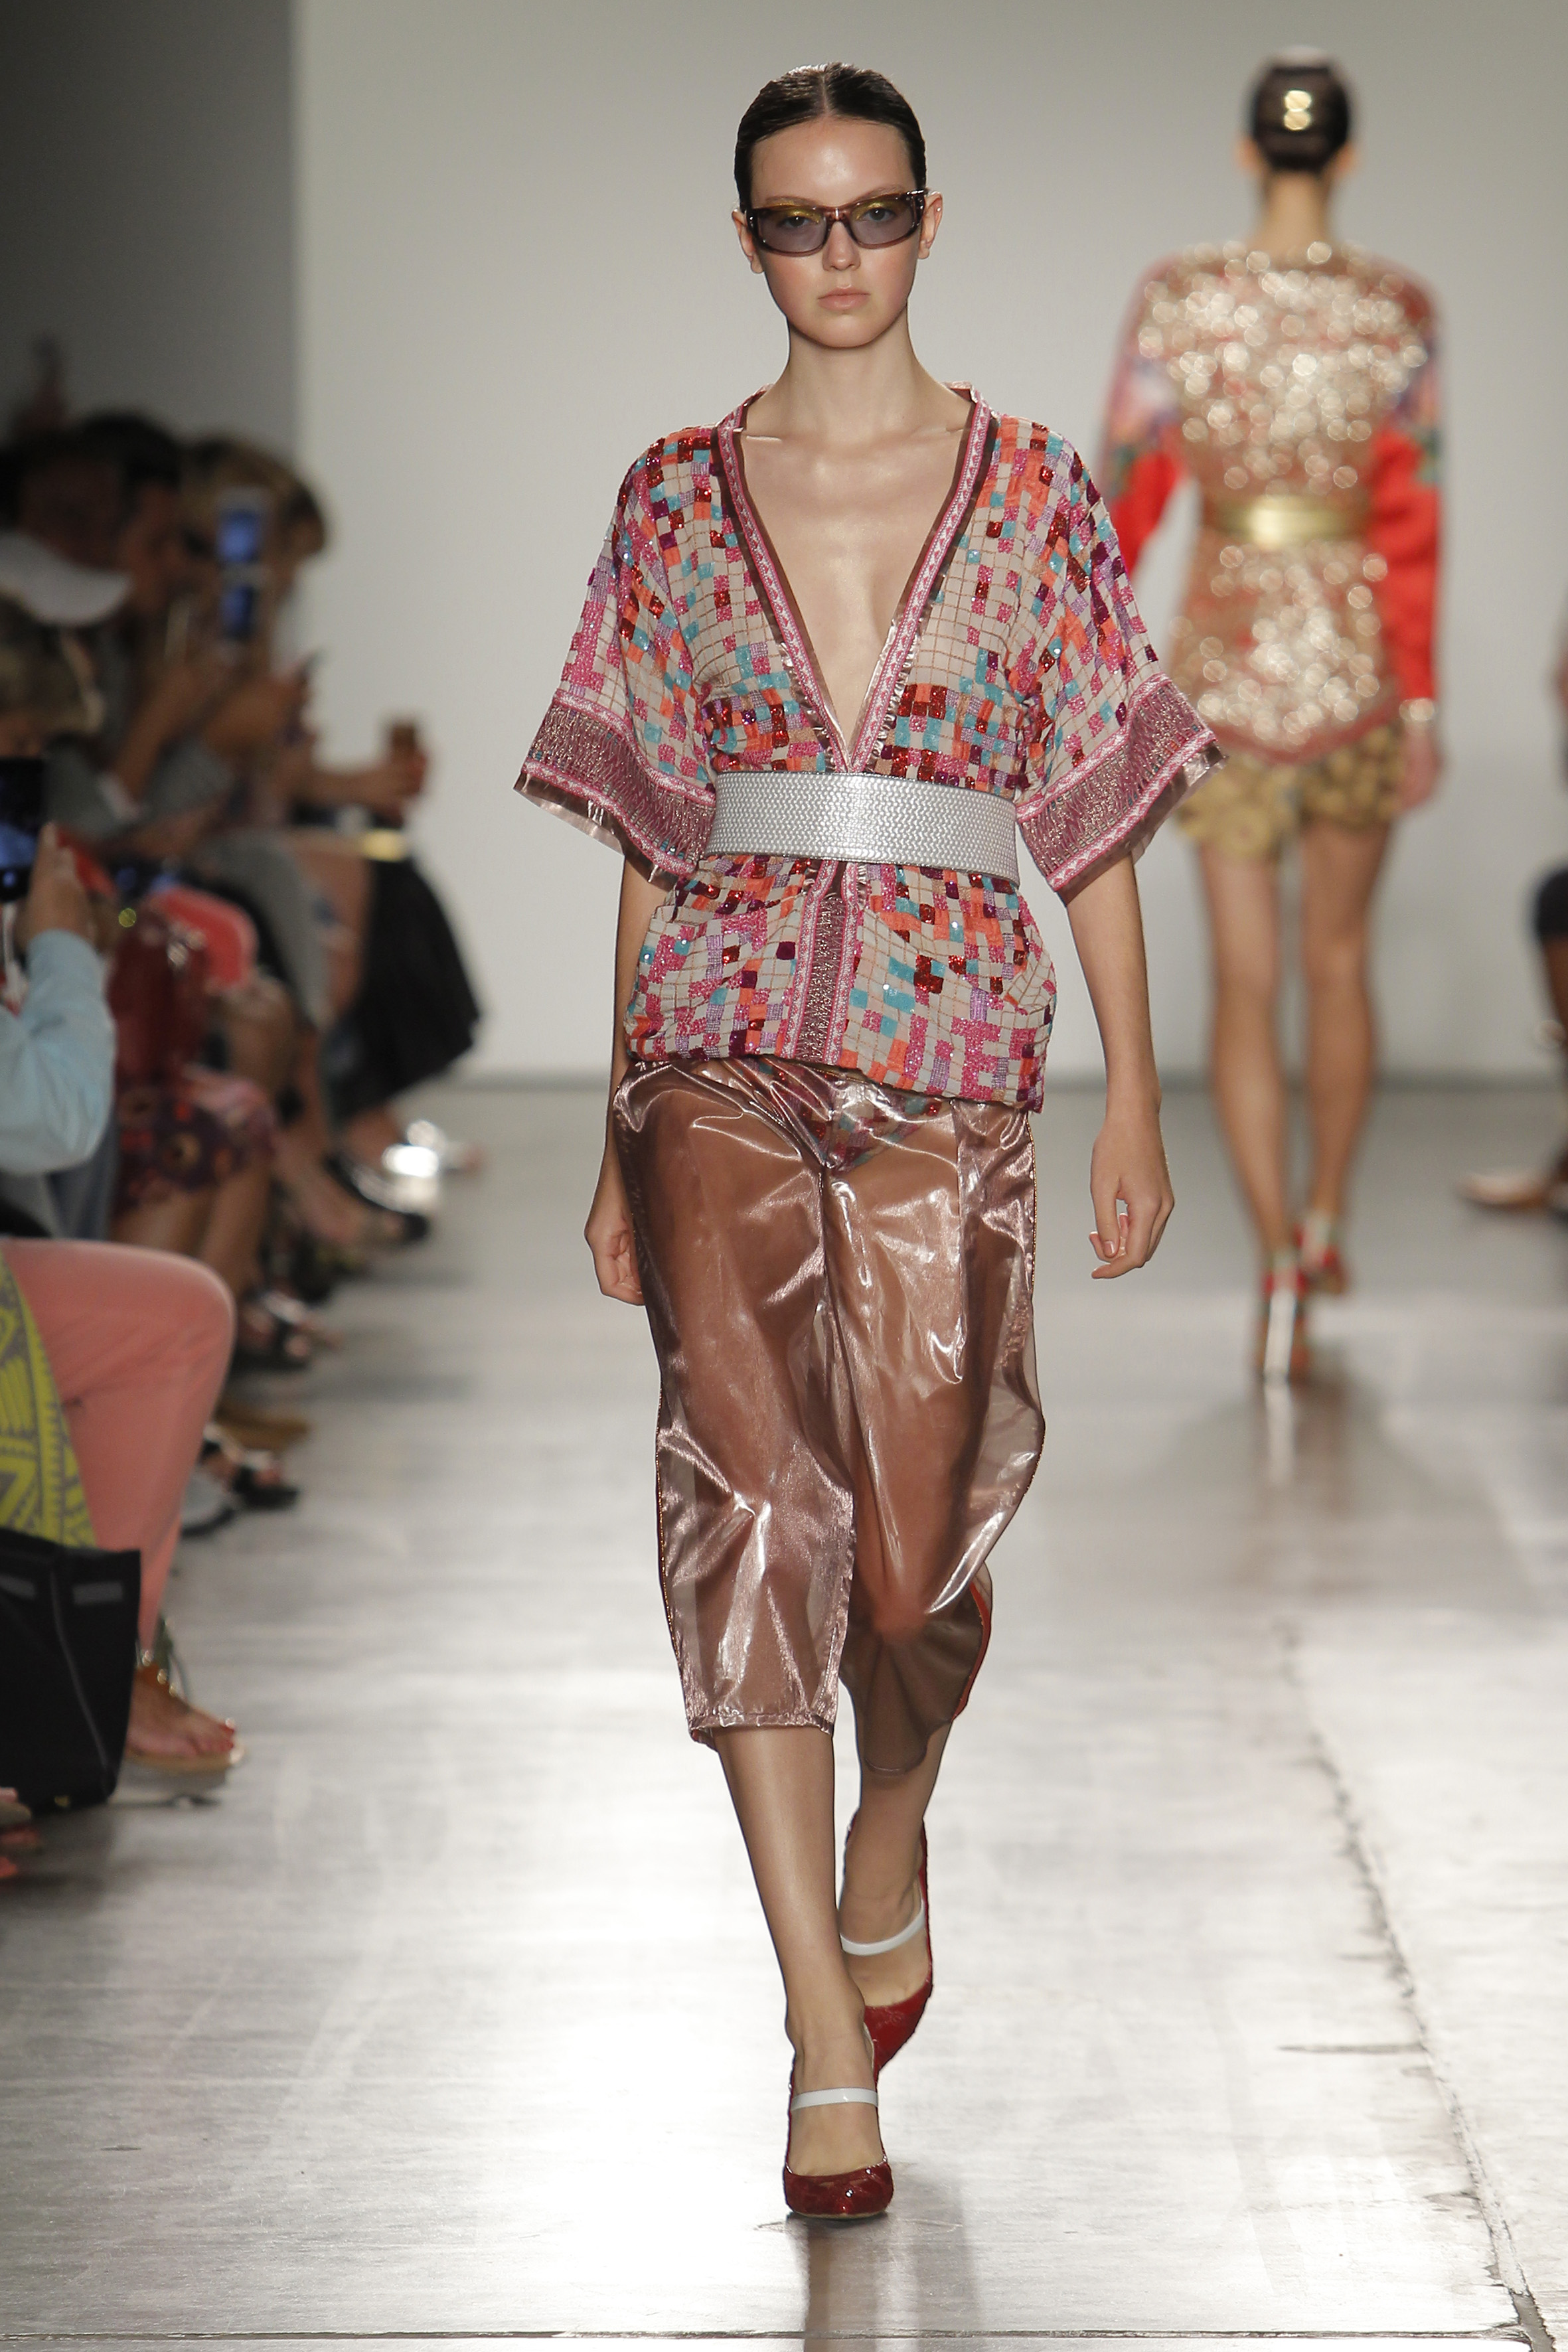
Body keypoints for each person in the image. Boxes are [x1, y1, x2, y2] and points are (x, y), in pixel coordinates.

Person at [515, 62, 1217, 2218]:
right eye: (797, 221)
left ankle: (890, 1823)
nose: (839, 255)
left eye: (873, 214)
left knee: (916, 1561)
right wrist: (611, 1119)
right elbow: (649, 829)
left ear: (928, 220)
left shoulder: (1031, 485)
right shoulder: (670, 493)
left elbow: (1088, 810)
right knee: (750, 1512)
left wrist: (1135, 1085)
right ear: (746, 239)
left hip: (953, 1042)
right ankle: (823, 2033)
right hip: (715, 1045)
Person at [1098, 52, 1441, 1377]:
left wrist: (1093, 664)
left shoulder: (1178, 299)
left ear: (1248, 151)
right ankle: (1325, 1215)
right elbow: (1412, 513)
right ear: (1345, 156)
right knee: (1336, 963)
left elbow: (1125, 491)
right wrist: (1419, 699)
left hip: (1223, 672)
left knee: (1245, 982)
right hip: (1355, 671)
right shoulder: (1396, 309)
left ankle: (1271, 1258)